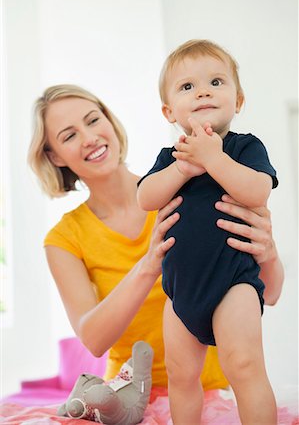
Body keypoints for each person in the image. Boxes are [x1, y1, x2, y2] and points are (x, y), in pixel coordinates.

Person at [28, 83, 284, 410]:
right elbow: (93, 339)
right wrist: (149, 264)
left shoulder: (196, 182)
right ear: (53, 155)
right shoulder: (64, 237)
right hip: (130, 397)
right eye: (69, 135)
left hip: (213, 393)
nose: (89, 137)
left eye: (93, 120)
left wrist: (269, 253)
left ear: (109, 121)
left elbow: (271, 295)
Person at [137, 39, 280, 424]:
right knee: (181, 377)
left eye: (216, 82)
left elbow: (258, 191)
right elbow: (145, 198)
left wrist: (213, 158)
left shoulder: (244, 148)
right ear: (169, 112)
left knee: (245, 366)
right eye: (187, 87)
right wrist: (183, 169)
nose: (202, 91)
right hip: (180, 290)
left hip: (234, 283)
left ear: (238, 100)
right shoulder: (171, 158)